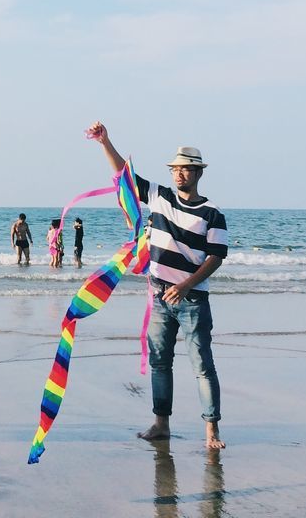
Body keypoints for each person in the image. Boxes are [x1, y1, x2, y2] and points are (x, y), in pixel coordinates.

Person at [86, 121, 228, 450]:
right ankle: (161, 423)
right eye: (175, 169)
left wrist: (187, 284)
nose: (179, 174)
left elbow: (216, 257)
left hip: (192, 300)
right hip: (160, 296)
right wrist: (106, 142)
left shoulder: (212, 213)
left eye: (186, 169)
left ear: (198, 173)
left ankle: (211, 431)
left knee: (202, 365)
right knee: (160, 362)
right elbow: (125, 177)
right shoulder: (159, 197)